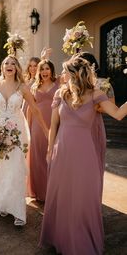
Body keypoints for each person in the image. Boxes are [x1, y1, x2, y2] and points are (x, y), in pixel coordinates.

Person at [39, 55, 127, 255]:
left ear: (75, 74)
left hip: (85, 153)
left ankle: (80, 241)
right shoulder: (61, 93)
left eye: (65, 71)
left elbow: (118, 114)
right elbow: (54, 125)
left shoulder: (96, 94)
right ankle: (60, 237)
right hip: (62, 151)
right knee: (63, 196)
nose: (61, 75)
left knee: (82, 196)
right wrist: (49, 149)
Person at [0, 55, 49, 226]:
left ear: (17, 68)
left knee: (16, 167)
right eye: (6, 62)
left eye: (13, 63)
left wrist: (46, 131)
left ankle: (18, 211)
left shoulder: (22, 87)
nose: (9, 65)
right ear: (2, 67)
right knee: (1, 168)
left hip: (17, 131)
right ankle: (5, 204)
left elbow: (35, 110)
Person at [80, 51, 114, 195]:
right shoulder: (75, 83)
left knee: (95, 159)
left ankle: (93, 193)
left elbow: (111, 106)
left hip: (95, 124)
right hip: (78, 126)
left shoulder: (104, 83)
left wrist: (96, 107)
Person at [27, 59, 59, 202]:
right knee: (38, 156)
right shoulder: (34, 87)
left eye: (47, 68)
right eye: (42, 69)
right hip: (37, 126)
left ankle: (54, 191)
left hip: (55, 124)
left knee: (54, 157)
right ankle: (40, 191)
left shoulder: (59, 84)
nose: (45, 71)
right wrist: (28, 126)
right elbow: (30, 108)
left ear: (51, 70)